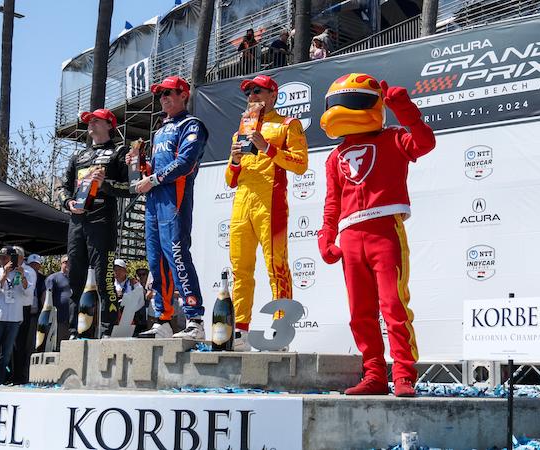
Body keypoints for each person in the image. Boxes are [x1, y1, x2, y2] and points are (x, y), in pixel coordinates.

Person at [318, 73, 436, 396]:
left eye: (352, 102)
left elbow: (425, 142)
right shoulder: (334, 157)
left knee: (394, 305)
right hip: (350, 237)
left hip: (385, 230)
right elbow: (332, 202)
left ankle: (403, 375)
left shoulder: (394, 138)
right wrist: (327, 235)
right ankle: (373, 373)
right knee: (360, 311)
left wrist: (406, 110)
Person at [226, 74, 309, 351]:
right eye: (249, 92)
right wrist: (236, 160)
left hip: (270, 202)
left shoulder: (287, 124)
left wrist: (267, 147)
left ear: (273, 95)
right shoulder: (241, 130)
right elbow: (230, 179)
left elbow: (300, 165)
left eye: (258, 91)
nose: (252, 96)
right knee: (240, 269)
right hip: (242, 203)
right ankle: (240, 331)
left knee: (276, 266)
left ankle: (281, 328)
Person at [127, 76, 207, 340]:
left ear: (184, 94)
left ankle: (194, 319)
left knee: (177, 256)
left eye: (169, 92)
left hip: (175, 199)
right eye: (160, 94)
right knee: (155, 260)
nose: (163, 98)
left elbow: (185, 162)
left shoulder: (191, 124)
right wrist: (139, 166)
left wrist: (153, 179)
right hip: (154, 201)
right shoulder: (159, 130)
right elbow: (153, 167)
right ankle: (162, 319)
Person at [61, 108, 133, 339]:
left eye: (96, 120)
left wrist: (105, 185)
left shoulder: (119, 152)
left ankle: (107, 331)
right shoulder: (78, 157)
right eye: (89, 121)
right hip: (77, 221)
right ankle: (75, 331)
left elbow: (131, 188)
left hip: (102, 221)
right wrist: (68, 203)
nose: (90, 123)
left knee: (105, 278)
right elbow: (62, 188)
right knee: (75, 279)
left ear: (109, 124)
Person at [0, 246, 32, 385]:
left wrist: (22, 277)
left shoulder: (22, 273)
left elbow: (27, 292)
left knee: (7, 352)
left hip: (14, 317)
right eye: (1, 258)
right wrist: (4, 275)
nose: (2, 260)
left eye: (5, 258)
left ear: (13, 259)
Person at [13, 251, 43, 384]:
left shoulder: (43, 278)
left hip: (35, 315)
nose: (35, 267)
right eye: (32, 264)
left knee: (29, 346)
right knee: (17, 344)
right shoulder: (21, 272)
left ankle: (26, 374)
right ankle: (16, 374)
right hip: (20, 312)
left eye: (37, 265)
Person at [44, 255, 72, 350]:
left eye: (69, 262)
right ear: (61, 264)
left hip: (72, 319)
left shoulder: (76, 279)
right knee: (58, 346)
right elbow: (46, 297)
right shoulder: (53, 278)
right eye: (65, 262)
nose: (67, 264)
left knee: (70, 348)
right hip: (58, 319)